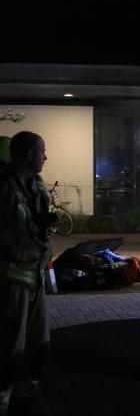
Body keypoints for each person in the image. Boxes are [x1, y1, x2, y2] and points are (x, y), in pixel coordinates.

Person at [0, 131, 54, 416]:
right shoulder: (4, 188)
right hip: (12, 278)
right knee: (11, 347)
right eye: (41, 152)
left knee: (39, 344)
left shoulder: (36, 185)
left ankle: (27, 394)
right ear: (29, 155)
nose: (46, 157)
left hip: (35, 276)